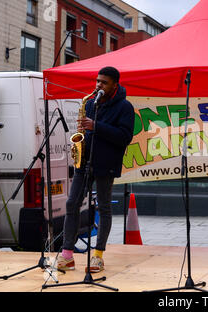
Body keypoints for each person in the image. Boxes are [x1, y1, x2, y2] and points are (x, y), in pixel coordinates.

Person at [57, 66, 135, 273]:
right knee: (72, 203)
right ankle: (67, 255)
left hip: (106, 163)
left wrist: (95, 126)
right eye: (97, 81)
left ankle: (98, 256)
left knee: (104, 208)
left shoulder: (125, 107)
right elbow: (87, 130)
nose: (98, 85)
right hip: (85, 162)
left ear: (114, 85)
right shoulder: (90, 103)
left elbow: (125, 136)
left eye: (104, 82)